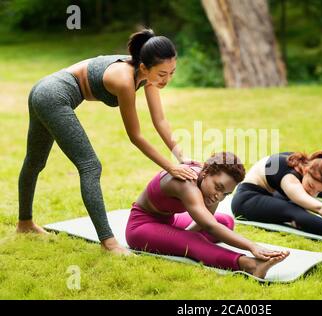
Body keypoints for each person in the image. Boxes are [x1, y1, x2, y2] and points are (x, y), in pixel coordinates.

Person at [17, 28, 198, 255]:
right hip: (53, 96)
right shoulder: (125, 80)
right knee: (90, 166)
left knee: (34, 162)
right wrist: (171, 167)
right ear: (144, 67)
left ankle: (25, 224)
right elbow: (135, 136)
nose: (167, 79)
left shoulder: (148, 73)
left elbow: (159, 120)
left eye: (172, 72)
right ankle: (109, 242)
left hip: (43, 91)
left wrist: (180, 156)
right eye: (162, 74)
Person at [126, 152, 289, 279]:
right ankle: (249, 265)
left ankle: (179, 240)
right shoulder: (186, 184)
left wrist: (181, 236)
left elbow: (208, 222)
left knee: (225, 221)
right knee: (196, 239)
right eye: (218, 187)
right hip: (140, 227)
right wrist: (252, 246)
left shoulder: (208, 180)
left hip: (170, 221)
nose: (219, 196)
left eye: (225, 193)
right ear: (205, 173)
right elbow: (210, 226)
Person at [231, 151, 322, 243]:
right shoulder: (290, 179)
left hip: (269, 195)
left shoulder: (304, 165)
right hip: (246, 200)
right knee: (293, 210)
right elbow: (319, 207)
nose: (312, 193)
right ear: (306, 170)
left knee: (298, 208)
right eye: (310, 186)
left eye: (318, 191)